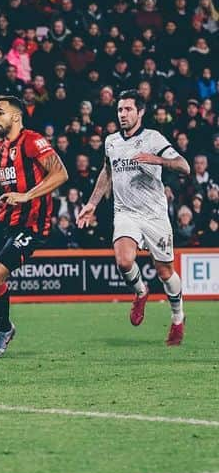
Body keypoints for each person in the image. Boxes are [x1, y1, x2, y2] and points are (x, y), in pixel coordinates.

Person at [77, 90, 191, 345]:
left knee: (165, 271)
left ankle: (177, 318)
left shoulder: (153, 138)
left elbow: (185, 166)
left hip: (154, 215)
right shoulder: (111, 142)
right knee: (124, 260)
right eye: (120, 110)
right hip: (126, 212)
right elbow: (107, 172)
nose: (123, 114)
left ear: (140, 112)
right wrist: (92, 204)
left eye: (128, 109)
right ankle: (140, 291)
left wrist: (157, 160)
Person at [0, 96, 67, 359]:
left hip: (32, 224)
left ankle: (3, 332)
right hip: (6, 219)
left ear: (16, 117)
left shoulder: (32, 141)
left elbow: (61, 173)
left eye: (0, 112)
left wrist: (27, 195)